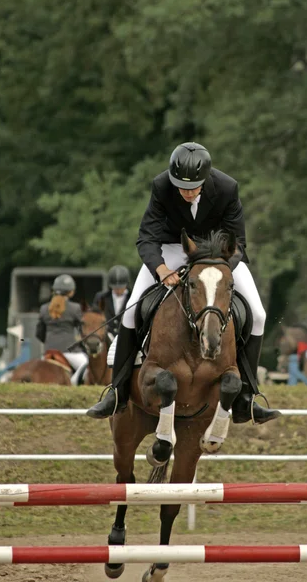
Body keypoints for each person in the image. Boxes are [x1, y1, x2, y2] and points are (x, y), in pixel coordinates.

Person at [87, 141, 280, 424]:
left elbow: (238, 242)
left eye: (193, 187)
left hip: (216, 256)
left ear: (206, 179)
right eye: (181, 186)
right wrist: (161, 268)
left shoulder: (227, 188)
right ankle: (116, 392)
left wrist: (220, 266)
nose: (186, 192)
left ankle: (246, 398)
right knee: (130, 312)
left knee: (259, 315)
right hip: (172, 249)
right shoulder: (162, 186)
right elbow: (147, 237)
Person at [35, 274, 89, 386]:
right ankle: (73, 383)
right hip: (69, 352)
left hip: (48, 351)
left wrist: (49, 343)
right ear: (71, 292)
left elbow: (39, 333)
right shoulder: (75, 308)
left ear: (54, 290)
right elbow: (82, 331)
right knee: (87, 366)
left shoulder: (44, 308)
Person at [93, 265, 131, 339]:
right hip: (106, 339)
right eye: (115, 287)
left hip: (127, 339)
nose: (118, 290)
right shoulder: (101, 297)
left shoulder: (133, 297)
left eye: (121, 287)